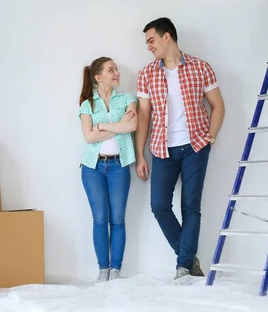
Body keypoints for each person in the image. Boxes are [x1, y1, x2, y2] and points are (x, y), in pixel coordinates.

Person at [135, 17, 225, 280]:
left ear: (167, 37)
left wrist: (211, 137)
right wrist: (140, 155)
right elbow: (143, 116)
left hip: (195, 146)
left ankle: (183, 266)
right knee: (159, 206)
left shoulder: (201, 68)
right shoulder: (147, 74)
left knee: (191, 207)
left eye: (151, 40)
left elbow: (218, 105)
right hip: (162, 150)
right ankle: (188, 258)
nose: (149, 46)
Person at [79, 56, 138, 283]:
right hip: (92, 167)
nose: (117, 74)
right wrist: (118, 127)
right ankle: (103, 269)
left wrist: (102, 125)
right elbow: (88, 137)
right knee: (100, 219)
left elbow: (132, 125)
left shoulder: (126, 99)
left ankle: (116, 270)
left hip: (118, 166)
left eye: (117, 70)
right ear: (98, 77)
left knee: (118, 219)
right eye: (111, 70)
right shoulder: (87, 104)